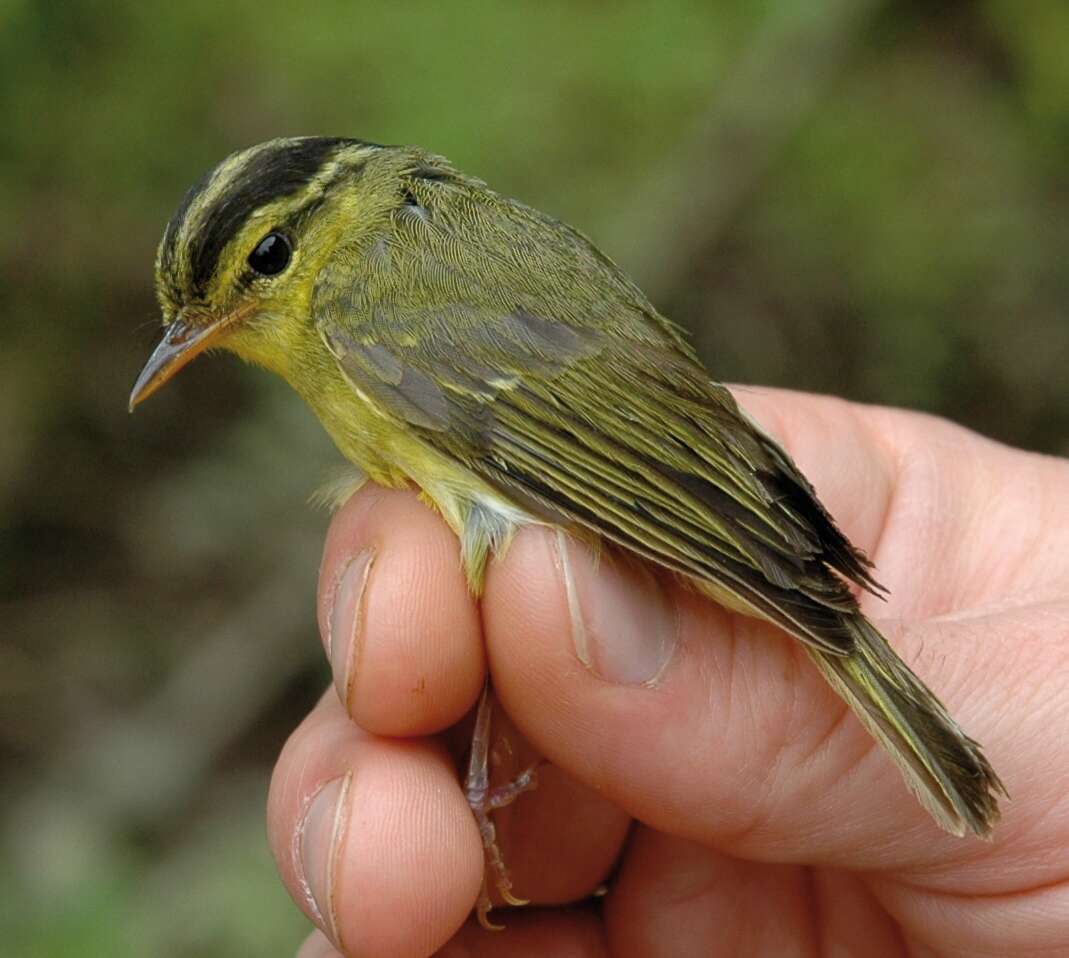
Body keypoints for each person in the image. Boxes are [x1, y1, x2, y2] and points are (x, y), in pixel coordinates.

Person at [266, 388, 1069, 958]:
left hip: (639, 487)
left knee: (497, 612)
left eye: (263, 266)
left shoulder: (362, 320)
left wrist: (766, 566)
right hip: (673, 476)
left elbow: (565, 455)